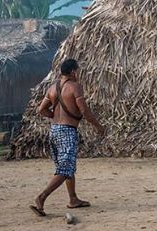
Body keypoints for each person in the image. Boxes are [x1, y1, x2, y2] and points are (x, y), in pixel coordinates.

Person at [30, 58, 105, 217]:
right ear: (72, 72)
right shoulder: (75, 87)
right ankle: (41, 198)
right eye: (77, 70)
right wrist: (98, 126)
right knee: (65, 169)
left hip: (54, 131)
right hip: (67, 132)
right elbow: (84, 111)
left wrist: (56, 117)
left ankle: (73, 199)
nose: (78, 73)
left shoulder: (52, 88)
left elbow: (41, 109)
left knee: (66, 166)